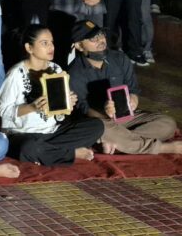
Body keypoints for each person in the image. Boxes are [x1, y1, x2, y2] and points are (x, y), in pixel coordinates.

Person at [68, 19, 181, 155]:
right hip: (100, 121)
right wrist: (105, 113)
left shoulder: (119, 58)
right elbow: (83, 108)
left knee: (168, 124)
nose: (101, 40)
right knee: (101, 128)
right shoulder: (74, 72)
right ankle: (161, 148)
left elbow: (133, 89)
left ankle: (118, 144)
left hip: (124, 117)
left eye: (101, 35)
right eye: (93, 39)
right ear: (79, 46)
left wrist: (133, 100)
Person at [0, 25, 103, 166]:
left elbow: (59, 116)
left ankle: (49, 152)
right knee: (29, 148)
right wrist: (32, 107)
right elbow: (4, 111)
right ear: (29, 48)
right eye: (44, 43)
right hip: (24, 134)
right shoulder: (16, 74)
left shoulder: (56, 69)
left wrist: (66, 104)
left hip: (52, 132)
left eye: (52, 42)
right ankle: (70, 153)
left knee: (97, 126)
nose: (51, 47)